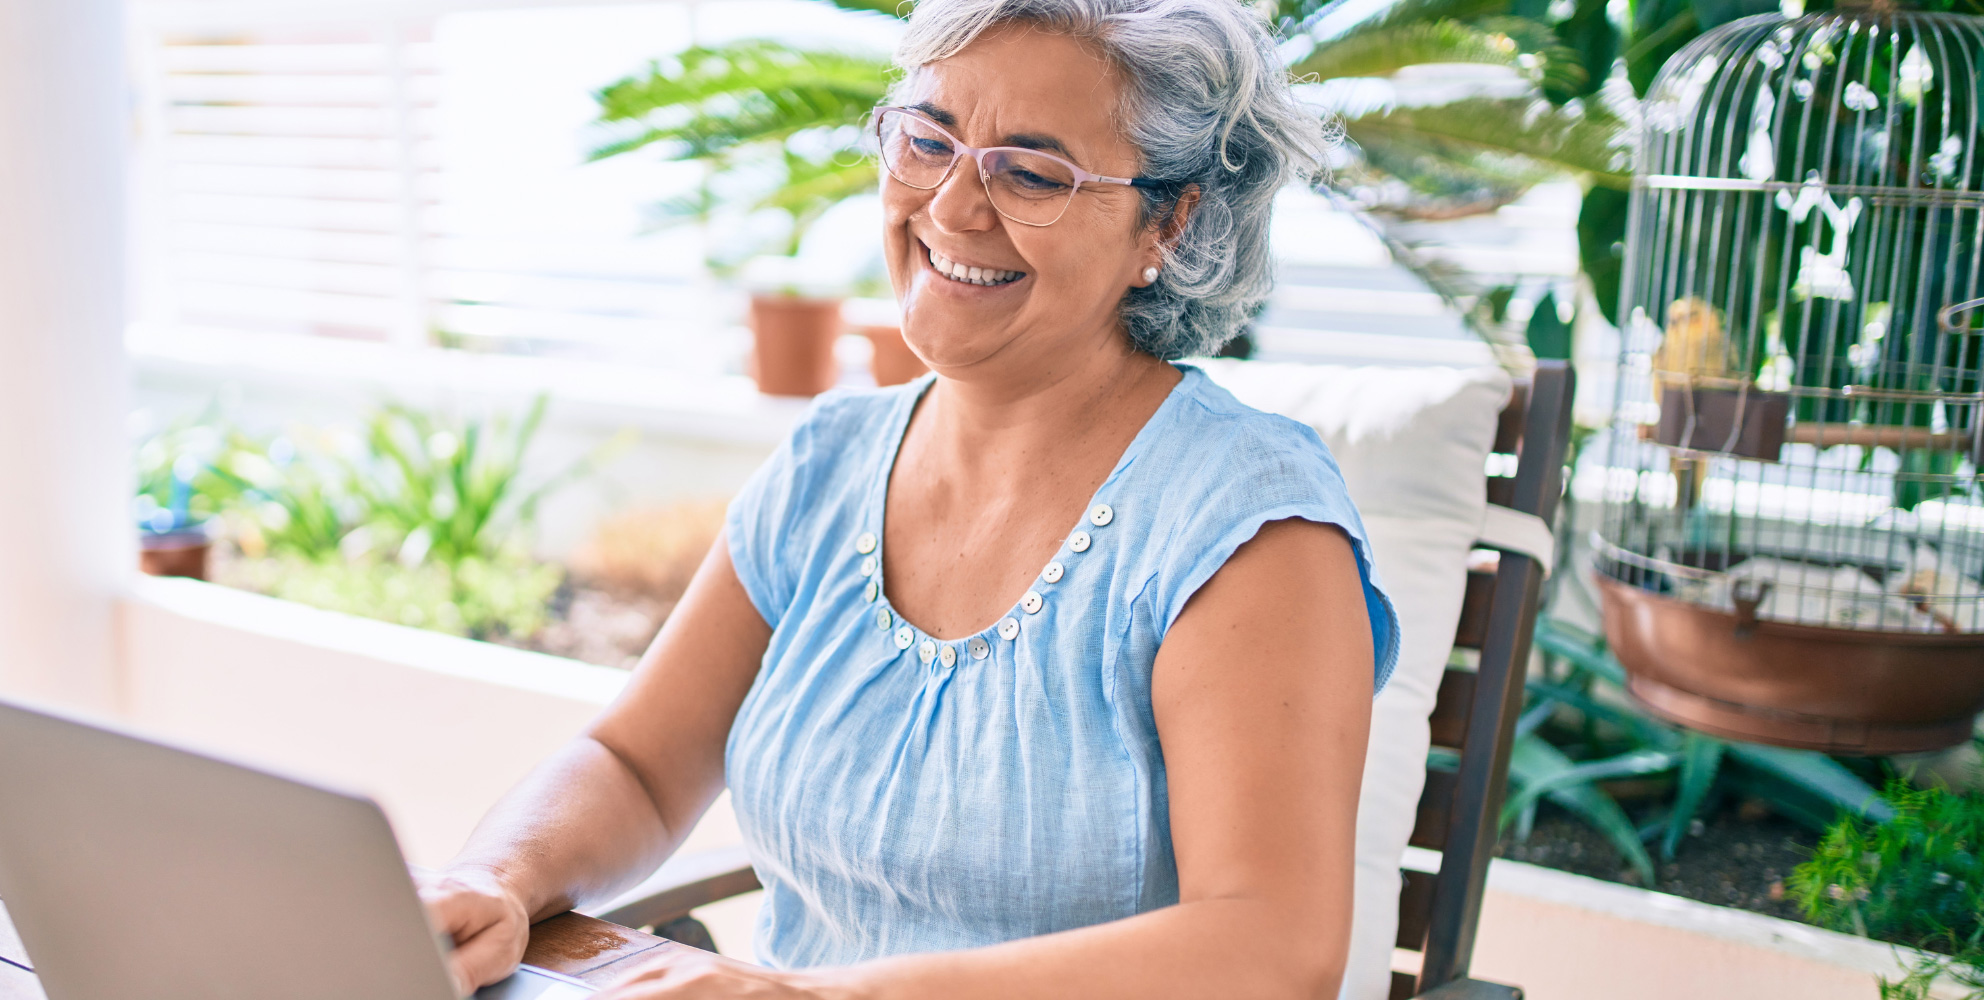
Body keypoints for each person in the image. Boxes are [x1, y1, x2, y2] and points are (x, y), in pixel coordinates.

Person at [420, 0, 1397, 995]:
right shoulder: (829, 465)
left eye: (1032, 172)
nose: (953, 207)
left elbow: (1270, 949)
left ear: (1169, 222)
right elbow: (635, 762)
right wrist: (498, 876)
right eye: (929, 141)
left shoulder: (1246, 527)